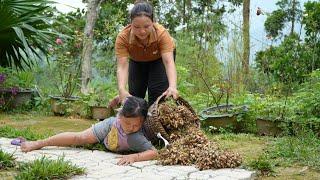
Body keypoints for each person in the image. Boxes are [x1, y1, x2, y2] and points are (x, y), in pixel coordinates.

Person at [20, 96, 158, 166]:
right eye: (128, 123)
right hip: (109, 131)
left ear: (143, 121)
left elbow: (153, 152)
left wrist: (134, 157)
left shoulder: (136, 137)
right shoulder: (111, 124)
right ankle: (39, 143)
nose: (131, 128)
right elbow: (78, 138)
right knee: (79, 138)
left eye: (136, 125)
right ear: (120, 115)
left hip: (124, 143)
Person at [115, 0, 178, 106]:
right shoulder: (123, 37)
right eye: (137, 27)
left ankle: (154, 121)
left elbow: (168, 62)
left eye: (146, 26)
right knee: (134, 95)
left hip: (159, 60)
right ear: (131, 24)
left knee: (157, 94)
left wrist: (173, 86)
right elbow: (122, 66)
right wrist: (121, 89)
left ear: (153, 23)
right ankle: (136, 122)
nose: (142, 31)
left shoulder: (161, 34)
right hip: (137, 60)